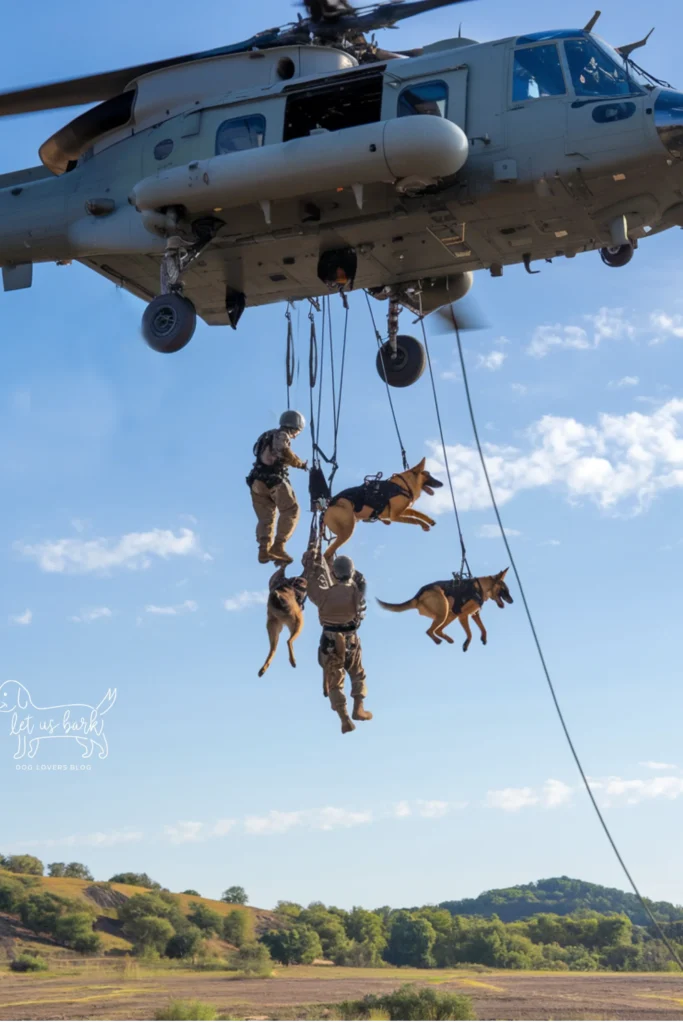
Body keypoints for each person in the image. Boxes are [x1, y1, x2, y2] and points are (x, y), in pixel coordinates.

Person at [303, 544, 371, 734]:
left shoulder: (324, 595)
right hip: (351, 639)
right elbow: (362, 582)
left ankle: (344, 718)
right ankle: (359, 706)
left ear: (334, 573)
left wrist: (313, 564)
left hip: (330, 640)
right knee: (357, 672)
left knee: (335, 679)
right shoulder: (357, 594)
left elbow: (311, 584)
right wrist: (352, 573)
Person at [247, 411, 308, 565]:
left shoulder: (266, 435)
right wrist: (300, 464)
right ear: (296, 427)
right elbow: (284, 451)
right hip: (274, 481)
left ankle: (264, 550)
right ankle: (278, 546)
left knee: (266, 518)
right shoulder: (283, 435)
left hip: (256, 482)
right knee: (291, 510)